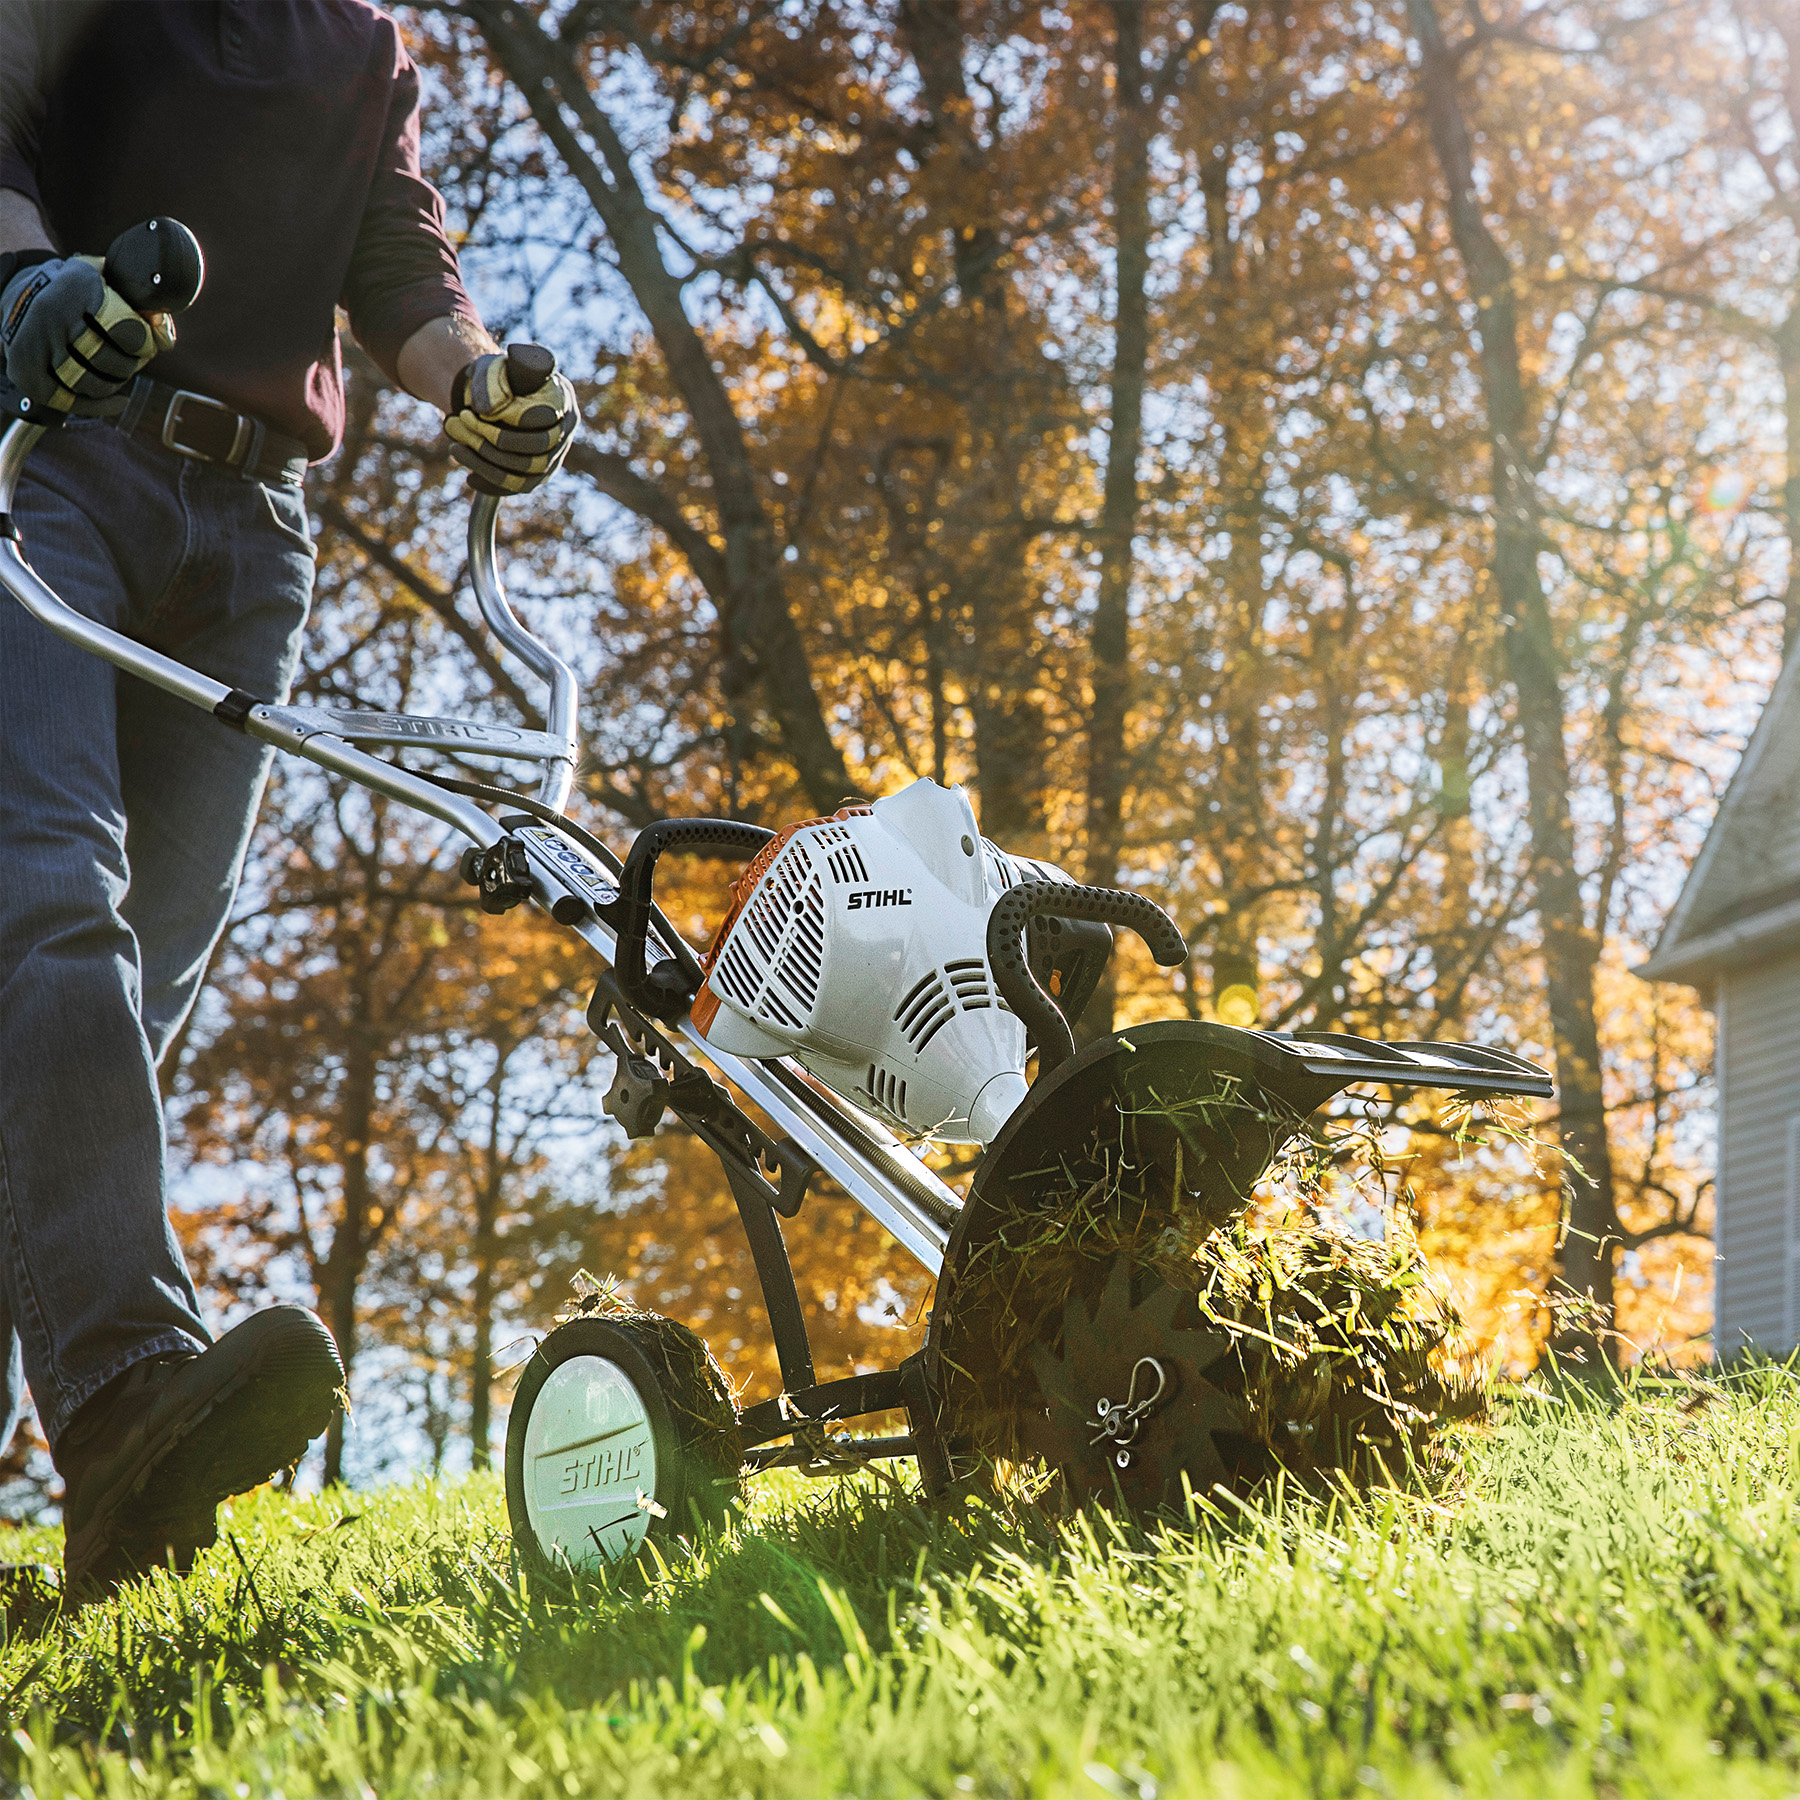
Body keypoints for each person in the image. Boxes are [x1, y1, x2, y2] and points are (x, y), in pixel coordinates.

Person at [0, 0, 578, 1600]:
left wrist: (477, 381)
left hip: (253, 538)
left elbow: (393, 256)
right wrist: (32, 284)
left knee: (135, 983)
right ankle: (123, 1393)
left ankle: (116, 1521)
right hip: (47, 454)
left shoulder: (363, 39)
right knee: (48, 909)